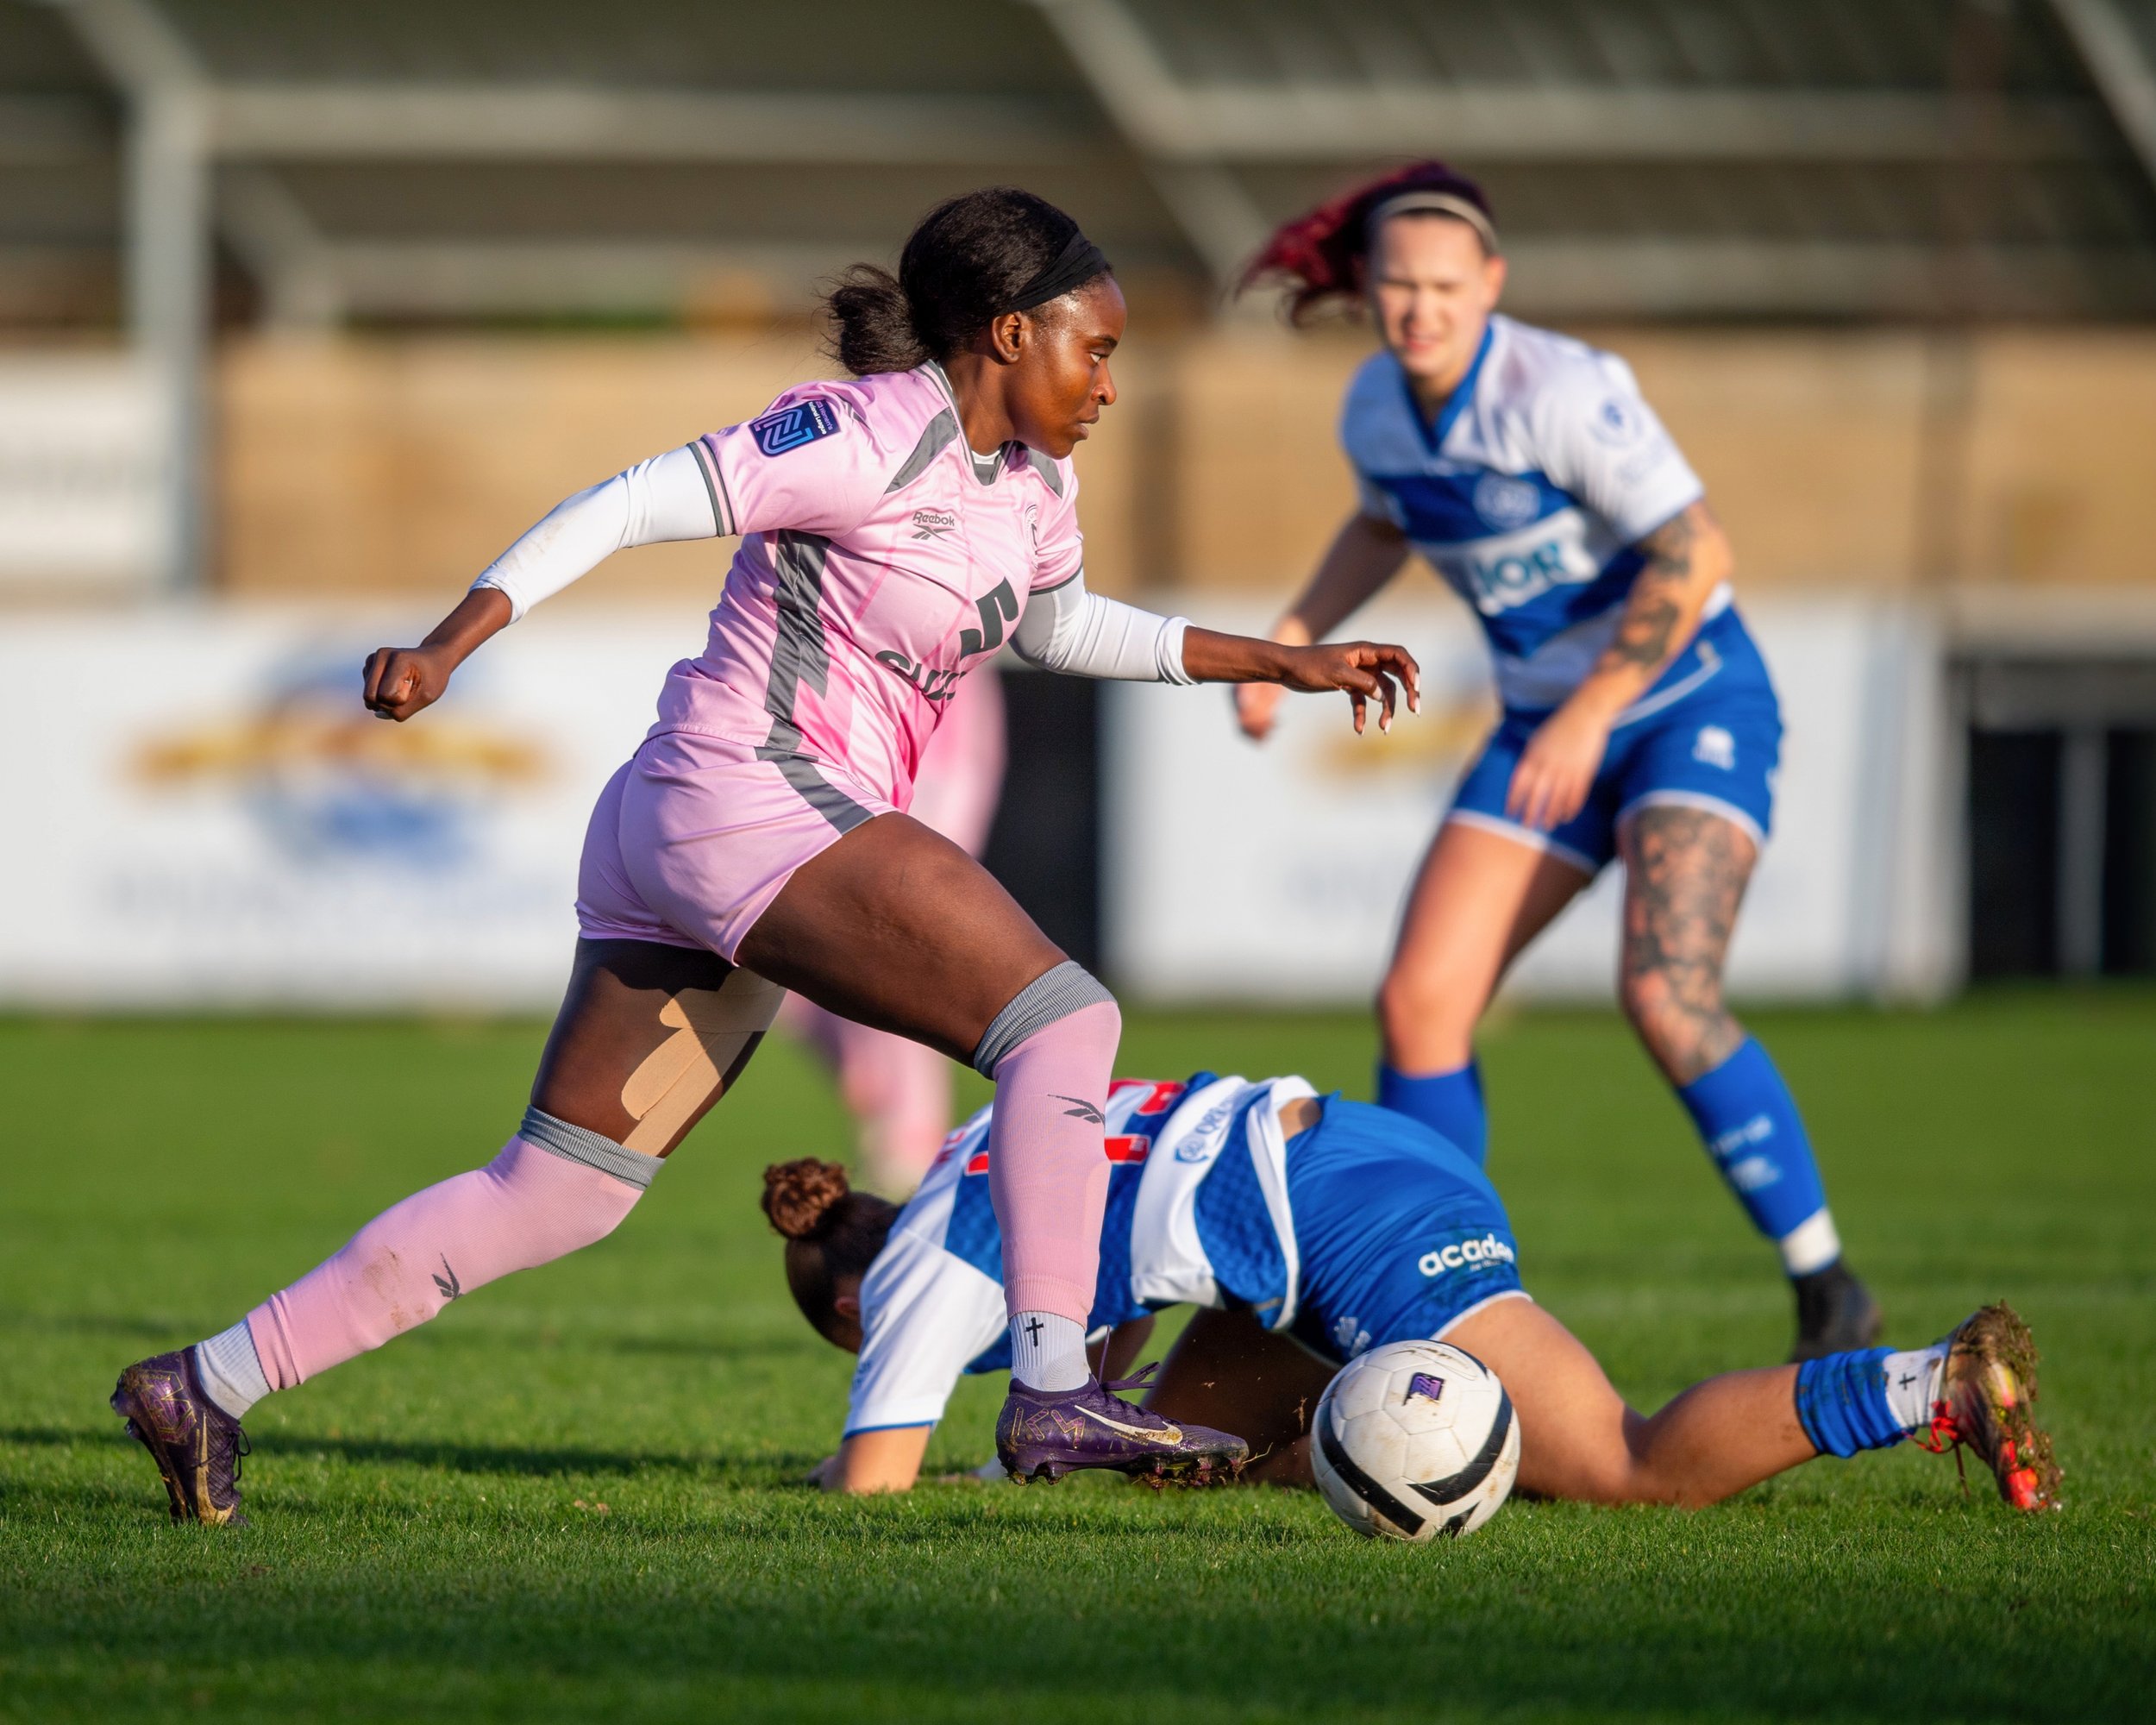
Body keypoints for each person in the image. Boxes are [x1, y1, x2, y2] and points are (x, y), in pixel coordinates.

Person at [110, 187, 1419, 1525]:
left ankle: (204, 1384)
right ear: (1012, 334)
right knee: (1065, 1023)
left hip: (695, 830)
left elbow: (1063, 625)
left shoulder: (1035, 487)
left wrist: (1279, 659)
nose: (1111, 384)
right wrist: (451, 642)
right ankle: (1048, 1386)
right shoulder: (858, 435)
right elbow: (622, 504)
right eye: (1099, 350)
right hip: (742, 800)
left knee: (557, 1194)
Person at [1232, 161, 1877, 1361]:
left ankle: (1827, 1281)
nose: (1420, 309)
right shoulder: (1375, 409)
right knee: (1421, 1004)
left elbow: (1695, 549)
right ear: (1367, 289)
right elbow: (1384, 521)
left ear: (1492, 285)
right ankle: (1438, 1303)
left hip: (1686, 699)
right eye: (1398, 286)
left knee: (1664, 994)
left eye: (1444, 286)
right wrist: (1293, 637)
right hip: (1545, 725)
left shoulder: (1563, 391)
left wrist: (1594, 712)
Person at [764, 1076, 2059, 1513]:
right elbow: (1123, 1262)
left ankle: (1926, 1379)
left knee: (1624, 1462)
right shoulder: (963, 1149)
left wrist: (808, 1483)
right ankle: (1362, 1446)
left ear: (854, 1317)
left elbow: (870, 1483)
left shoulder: (920, 1277)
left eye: (860, 1354)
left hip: (1345, 1220)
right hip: (1338, 1154)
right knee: (1178, 1461)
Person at [778, 664, 1006, 1194]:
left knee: (902, 952)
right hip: (849, 756)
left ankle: (913, 1138)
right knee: (793, 977)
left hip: (937, 757)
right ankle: (874, 1079)